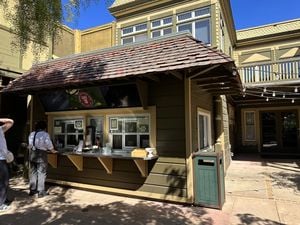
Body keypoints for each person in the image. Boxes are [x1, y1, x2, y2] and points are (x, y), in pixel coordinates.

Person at [28, 121, 57, 198]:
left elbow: (30, 145)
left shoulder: (32, 134)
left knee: (33, 172)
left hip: (32, 154)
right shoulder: (45, 134)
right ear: (44, 128)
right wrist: (53, 150)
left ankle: (32, 190)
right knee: (41, 172)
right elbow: (49, 145)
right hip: (41, 154)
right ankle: (41, 191)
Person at [0, 118, 14, 212]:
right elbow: (11, 121)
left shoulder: (0, 129)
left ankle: (3, 199)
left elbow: (10, 122)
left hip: (2, 158)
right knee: (3, 181)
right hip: (0, 159)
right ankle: (1, 204)